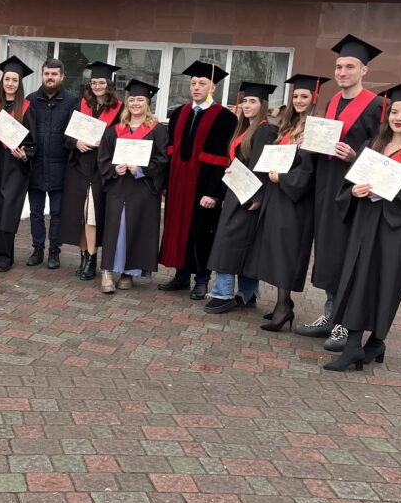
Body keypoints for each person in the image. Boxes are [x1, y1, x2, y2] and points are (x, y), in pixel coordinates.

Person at [325, 84, 401, 372]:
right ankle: (354, 345)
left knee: (384, 282)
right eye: (394, 112)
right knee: (358, 278)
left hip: (394, 230)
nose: (398, 118)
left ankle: (375, 341)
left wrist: (385, 191)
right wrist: (353, 191)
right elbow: (349, 182)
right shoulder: (372, 146)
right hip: (364, 224)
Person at [296, 35, 382, 352]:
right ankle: (331, 315)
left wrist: (355, 157)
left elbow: (382, 150)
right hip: (326, 188)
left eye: (350, 67)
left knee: (349, 258)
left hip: (353, 192)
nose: (342, 72)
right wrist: (309, 142)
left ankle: (345, 324)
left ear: (364, 70)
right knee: (330, 255)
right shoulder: (333, 102)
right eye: (339, 67)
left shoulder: (376, 106)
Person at [243, 74, 328, 330]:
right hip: (277, 195)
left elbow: (310, 170)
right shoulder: (288, 126)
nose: (299, 100)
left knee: (288, 251)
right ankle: (283, 303)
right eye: (296, 96)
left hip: (295, 200)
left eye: (304, 96)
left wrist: (284, 178)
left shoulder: (317, 128)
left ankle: (283, 308)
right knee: (276, 248)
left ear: (314, 98)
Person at [158, 60, 236, 300]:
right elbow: (171, 152)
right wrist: (166, 184)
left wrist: (214, 192)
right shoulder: (179, 112)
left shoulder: (224, 117)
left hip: (203, 187)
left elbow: (221, 159)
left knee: (202, 233)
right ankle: (181, 275)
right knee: (178, 229)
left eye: (202, 83)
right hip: (178, 184)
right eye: (193, 83)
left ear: (213, 87)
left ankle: (201, 279)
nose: (196, 87)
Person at [205, 82, 277, 313]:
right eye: (245, 101)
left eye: (252, 101)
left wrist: (257, 196)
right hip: (237, 190)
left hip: (248, 195)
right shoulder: (244, 129)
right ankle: (247, 294)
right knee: (242, 244)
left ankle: (223, 292)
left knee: (228, 242)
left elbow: (260, 166)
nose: (247, 105)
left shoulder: (265, 130)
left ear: (263, 105)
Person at [96, 79, 168, 294]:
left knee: (135, 228)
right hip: (118, 187)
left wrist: (141, 169)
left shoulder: (158, 130)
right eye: (132, 100)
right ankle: (107, 271)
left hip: (142, 188)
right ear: (127, 103)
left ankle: (128, 272)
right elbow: (103, 158)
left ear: (148, 104)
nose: (136, 103)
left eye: (140, 100)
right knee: (114, 228)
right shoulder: (115, 130)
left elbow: (162, 160)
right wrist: (114, 168)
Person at [60, 61, 123, 281]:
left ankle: (92, 258)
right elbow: (66, 135)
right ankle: (84, 257)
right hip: (78, 167)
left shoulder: (119, 109)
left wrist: (105, 143)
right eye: (94, 82)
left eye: (101, 82)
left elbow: (122, 138)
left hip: (100, 168)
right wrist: (76, 142)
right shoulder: (80, 106)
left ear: (109, 84)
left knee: (91, 215)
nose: (97, 86)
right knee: (81, 215)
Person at [25, 58, 80, 270]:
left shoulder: (72, 101)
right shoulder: (31, 100)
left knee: (57, 213)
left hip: (61, 166)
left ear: (62, 76)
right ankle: (38, 248)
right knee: (36, 212)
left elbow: (74, 134)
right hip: (35, 165)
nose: (50, 78)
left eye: (54, 74)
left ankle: (54, 250)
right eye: (47, 73)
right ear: (42, 75)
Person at [0, 55, 37, 272]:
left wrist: (24, 154)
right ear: (2, 81)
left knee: (8, 209)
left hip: (15, 166)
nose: (10, 83)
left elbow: (33, 142)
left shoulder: (27, 108)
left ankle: (5, 257)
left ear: (19, 83)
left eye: (15, 80)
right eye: (7, 79)